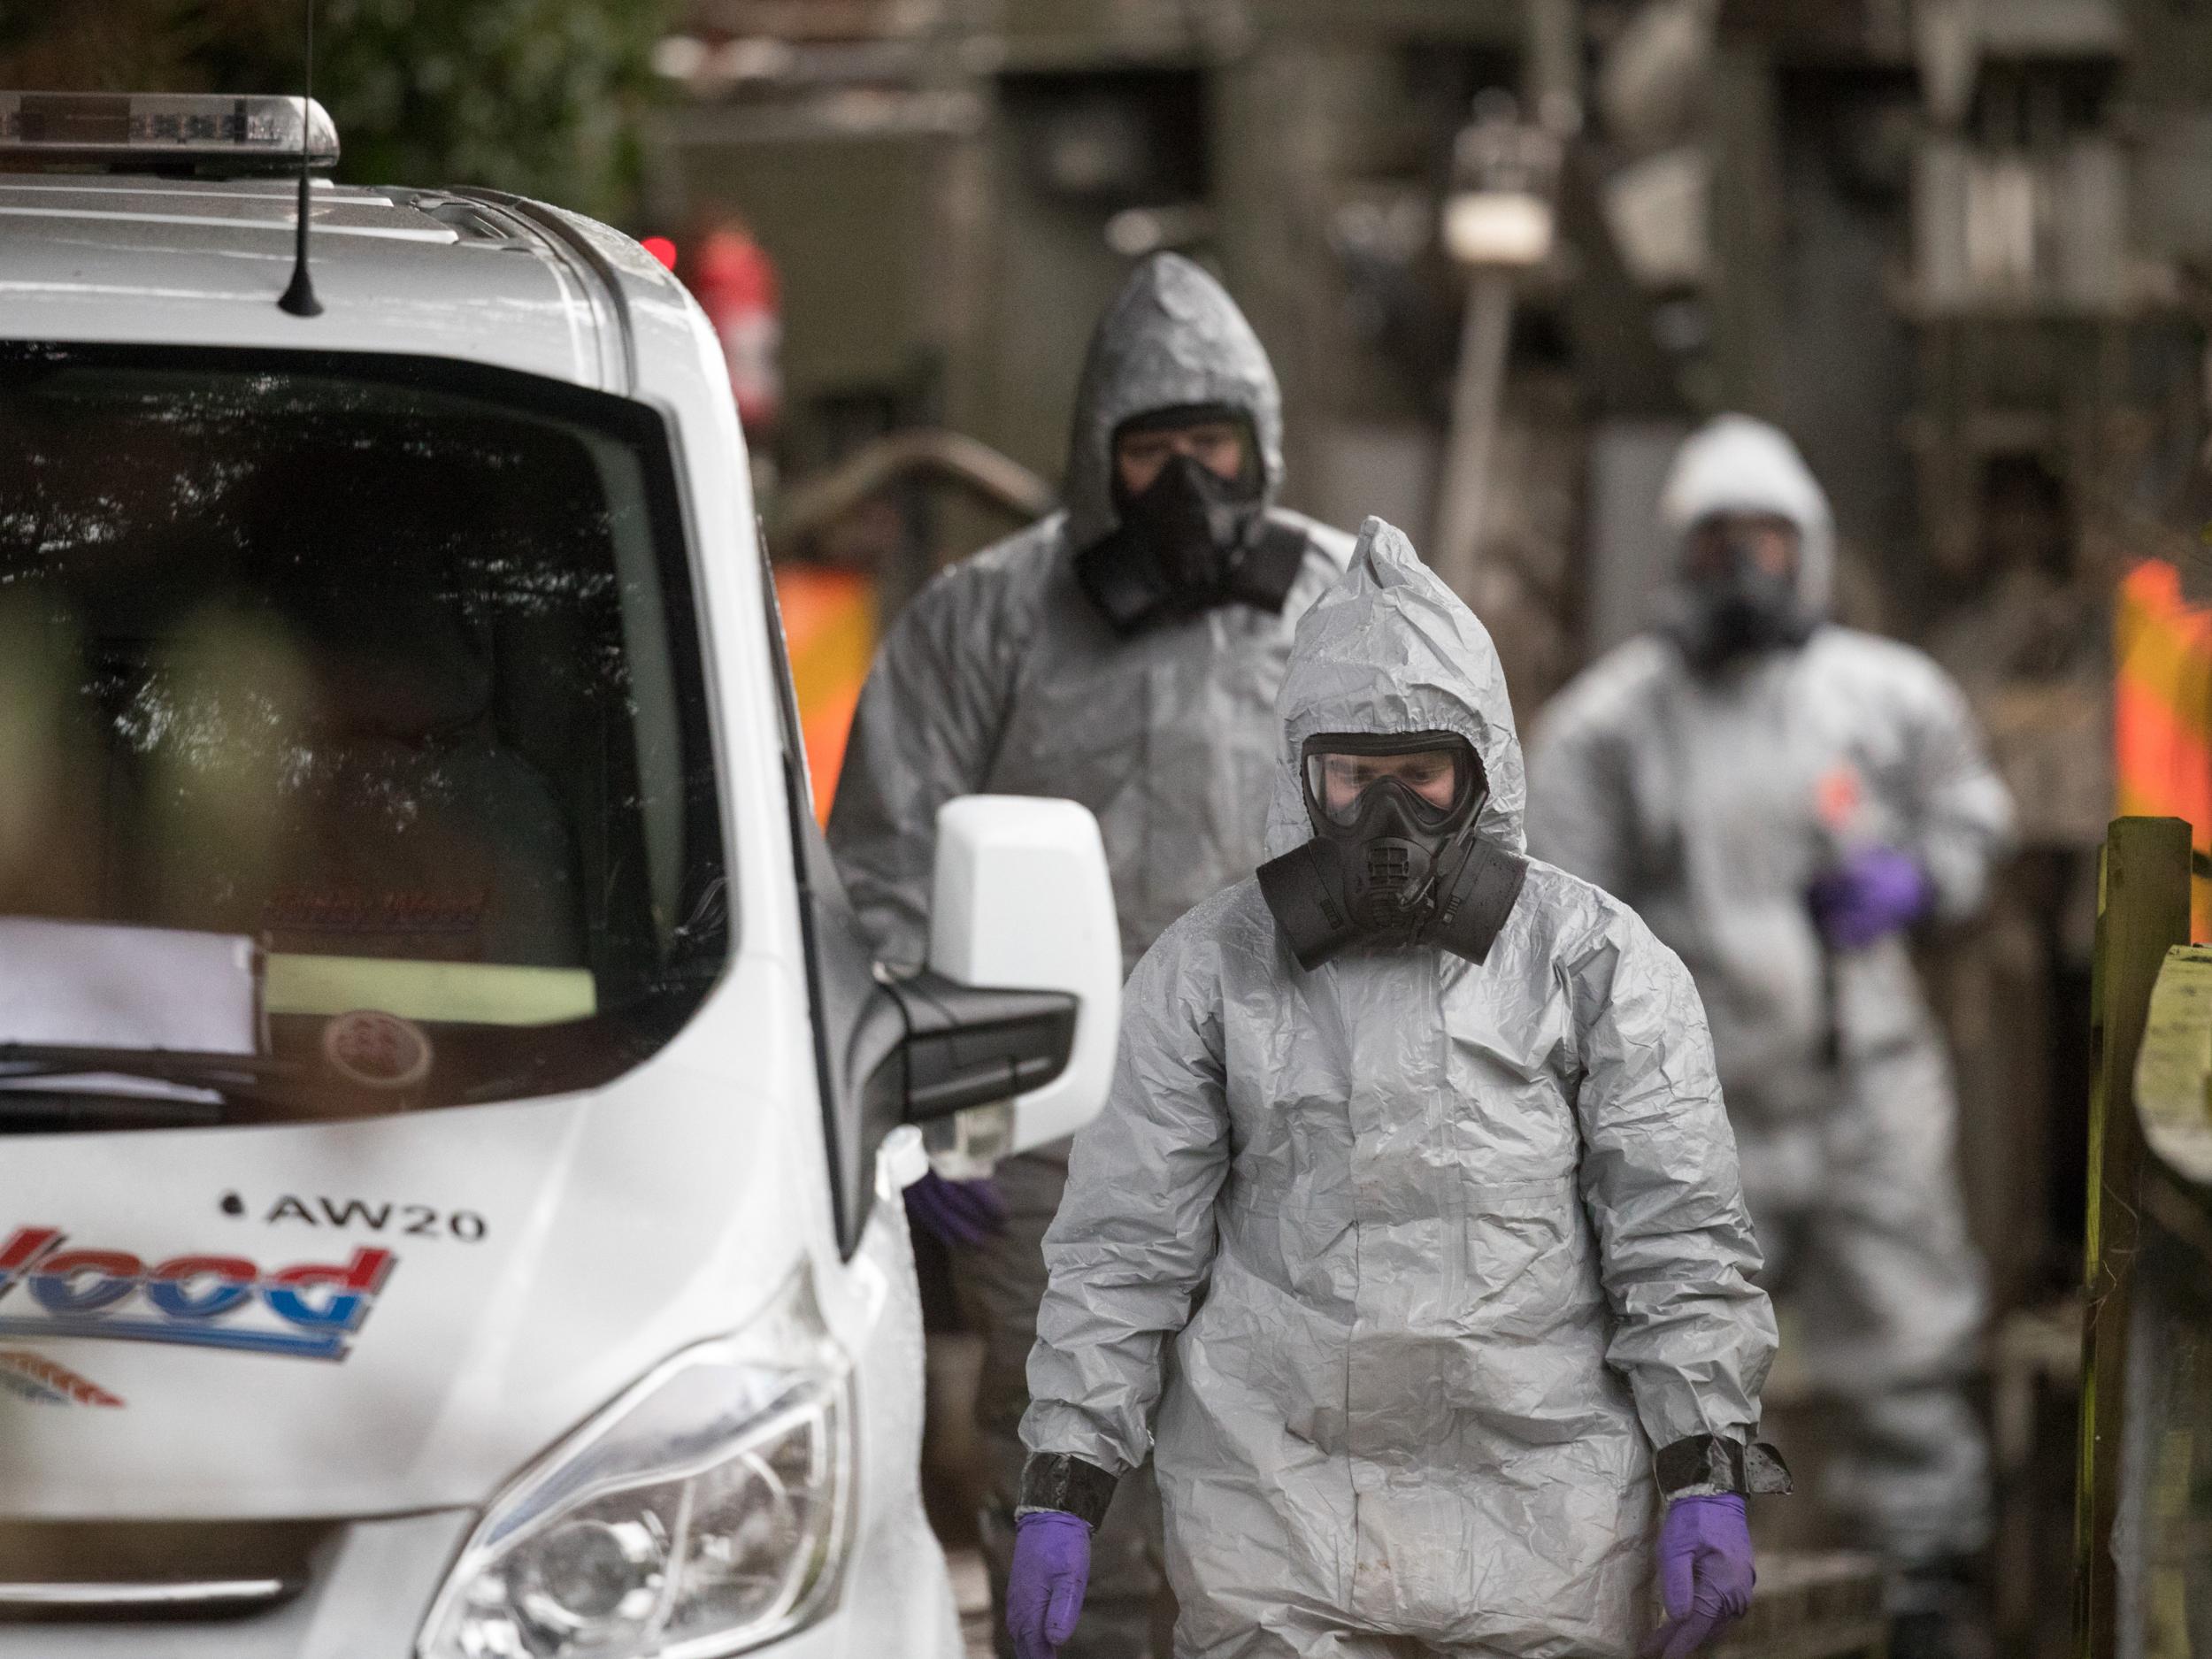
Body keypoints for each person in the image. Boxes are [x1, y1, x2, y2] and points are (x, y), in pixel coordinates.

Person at [1008, 517, 1782, 1659]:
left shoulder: (1596, 965)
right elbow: (1125, 1250)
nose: (1387, 822)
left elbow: (1678, 1237)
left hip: (1546, 1526)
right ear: (1302, 778)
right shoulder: (1209, 974)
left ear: (1483, 771)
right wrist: (1062, 1486)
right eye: (1354, 780)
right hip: (1276, 1528)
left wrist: (1705, 1464)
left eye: (1421, 775)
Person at [826, 251, 1355, 1658]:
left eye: (1215, 446)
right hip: (1057, 1137)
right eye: (1152, 450)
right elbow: (880, 865)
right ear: (1093, 459)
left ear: (1264, 444)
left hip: (1309, 1130)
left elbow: (1462, 844)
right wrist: (926, 1110)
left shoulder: (1354, 607)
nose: (1187, 482)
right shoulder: (986, 620)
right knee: (1080, 1491)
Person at [1525, 416, 2014, 1652]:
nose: (1746, 564)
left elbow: (1974, 816)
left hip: (1866, 1090)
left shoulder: (1886, 695)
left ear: (1813, 548)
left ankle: (1923, 1603)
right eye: (1717, 540)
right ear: (1674, 555)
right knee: (1656, 1367)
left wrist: (1920, 879)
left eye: (1770, 538)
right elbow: (1553, 913)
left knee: (1907, 1360)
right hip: (1696, 1110)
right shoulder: (1609, 726)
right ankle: (1642, 1605)